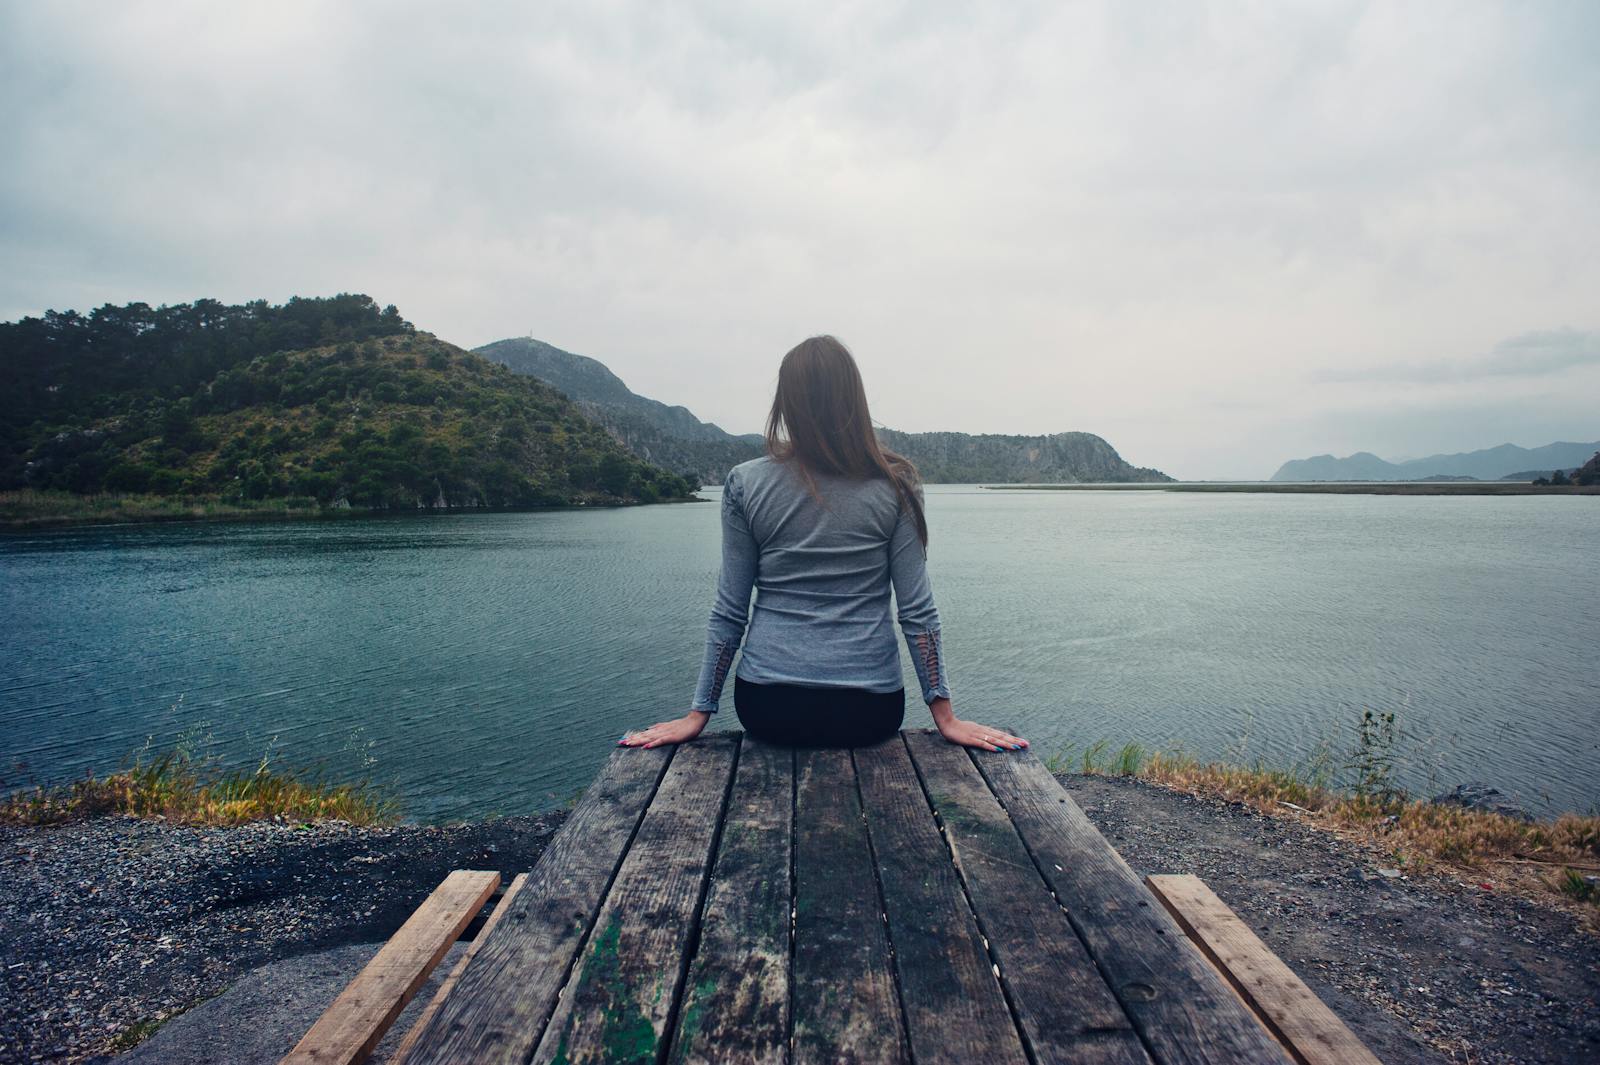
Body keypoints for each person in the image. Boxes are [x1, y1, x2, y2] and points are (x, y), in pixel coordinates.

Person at [620, 335, 1029, 753]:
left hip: (766, 707)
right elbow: (917, 611)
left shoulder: (746, 483)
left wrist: (698, 712)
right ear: (854, 399)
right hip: (870, 712)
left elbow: (730, 608)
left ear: (786, 402)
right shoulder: (897, 485)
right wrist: (945, 716)